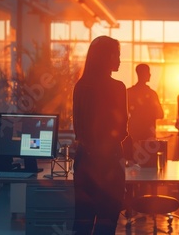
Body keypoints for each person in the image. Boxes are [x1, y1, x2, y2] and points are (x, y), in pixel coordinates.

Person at [72, 35, 128, 234]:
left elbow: (77, 128)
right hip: (110, 164)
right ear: (106, 57)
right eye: (117, 55)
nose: (120, 59)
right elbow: (121, 132)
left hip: (83, 162)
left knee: (82, 222)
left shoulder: (80, 86)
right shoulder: (117, 87)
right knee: (106, 224)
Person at [126, 63, 164, 163]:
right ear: (144, 74)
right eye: (148, 72)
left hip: (133, 134)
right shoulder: (152, 94)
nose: (150, 75)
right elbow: (160, 114)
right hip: (148, 134)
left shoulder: (129, 92)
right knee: (149, 164)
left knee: (132, 163)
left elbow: (122, 113)